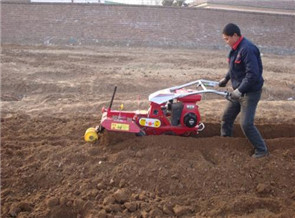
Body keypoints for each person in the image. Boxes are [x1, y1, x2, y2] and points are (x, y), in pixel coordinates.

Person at [218, 23, 269, 158]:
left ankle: (262, 150)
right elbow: (234, 67)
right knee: (226, 118)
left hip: (250, 92)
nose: (226, 42)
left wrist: (239, 91)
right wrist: (226, 78)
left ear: (235, 35)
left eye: (227, 39)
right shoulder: (234, 49)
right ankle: (226, 143)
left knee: (246, 124)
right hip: (239, 90)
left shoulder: (248, 49)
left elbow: (253, 75)